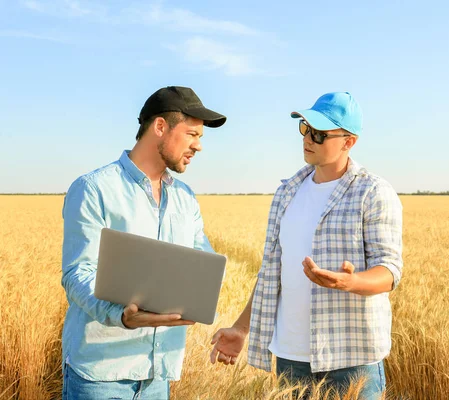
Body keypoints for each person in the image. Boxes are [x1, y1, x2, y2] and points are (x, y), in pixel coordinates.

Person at [210, 92, 402, 399]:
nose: (307, 138)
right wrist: (241, 328)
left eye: (319, 134)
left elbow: (390, 270)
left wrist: (351, 282)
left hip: (350, 362)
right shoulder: (287, 192)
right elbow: (271, 273)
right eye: (305, 128)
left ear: (348, 141)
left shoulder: (373, 192)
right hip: (290, 359)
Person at [61, 86, 226, 399]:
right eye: (192, 134)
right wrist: (122, 316)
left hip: (157, 377)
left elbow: (203, 262)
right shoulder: (94, 189)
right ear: (160, 127)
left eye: (200, 138)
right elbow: (77, 273)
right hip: (100, 376)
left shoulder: (185, 198)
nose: (198, 146)